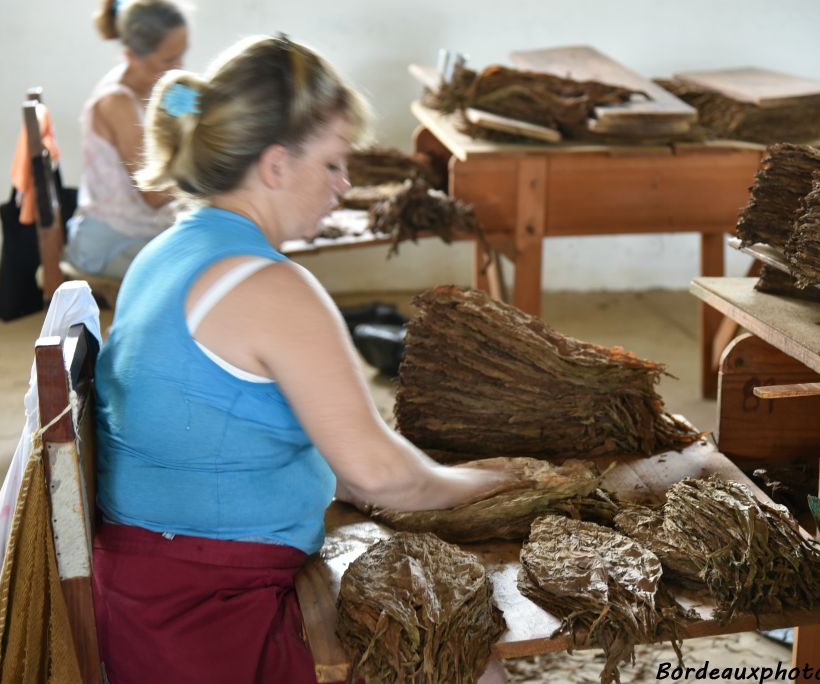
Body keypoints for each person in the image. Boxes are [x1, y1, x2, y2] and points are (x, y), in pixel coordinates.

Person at [92, 35, 512, 683]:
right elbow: (378, 476)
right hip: (207, 608)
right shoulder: (267, 286)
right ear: (276, 164)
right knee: (468, 650)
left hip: (144, 577)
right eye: (335, 165)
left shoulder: (173, 247)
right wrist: (489, 486)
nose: (344, 187)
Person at [63, 0, 187, 279]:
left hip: (147, 232)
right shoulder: (116, 102)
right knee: (200, 272)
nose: (180, 67)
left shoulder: (153, 87)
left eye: (182, 54)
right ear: (132, 56)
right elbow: (155, 194)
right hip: (110, 244)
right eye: (169, 60)